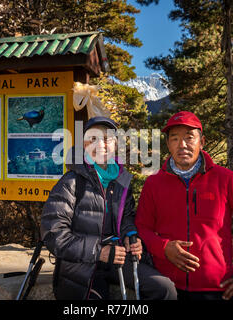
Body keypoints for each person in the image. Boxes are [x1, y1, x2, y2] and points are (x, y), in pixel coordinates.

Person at [135, 111, 233, 300]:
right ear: (168, 144)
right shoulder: (153, 184)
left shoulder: (225, 180)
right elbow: (141, 228)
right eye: (175, 139)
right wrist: (163, 248)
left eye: (189, 138)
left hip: (218, 291)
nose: (182, 145)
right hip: (167, 289)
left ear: (202, 142)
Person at [41, 116, 177, 300]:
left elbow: (127, 217)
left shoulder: (121, 181)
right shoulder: (71, 182)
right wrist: (99, 251)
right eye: (93, 138)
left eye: (107, 138)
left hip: (117, 257)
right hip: (82, 266)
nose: (101, 144)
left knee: (165, 289)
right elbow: (53, 234)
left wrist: (130, 235)